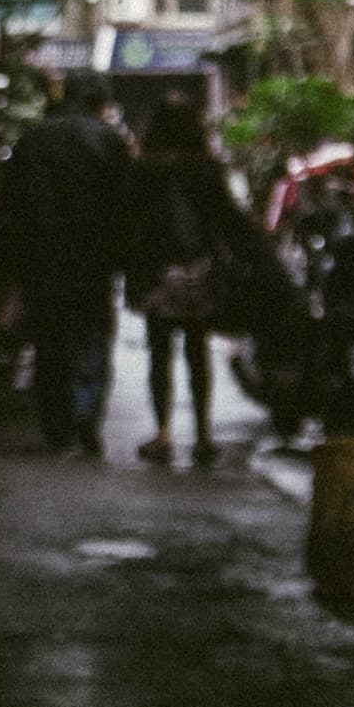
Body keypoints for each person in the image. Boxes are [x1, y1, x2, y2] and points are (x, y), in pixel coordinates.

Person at [0, 76, 139, 458]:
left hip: (42, 258)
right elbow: (127, 205)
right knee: (91, 336)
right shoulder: (108, 140)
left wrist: (14, 261)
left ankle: (58, 426)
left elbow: (10, 205)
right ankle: (85, 416)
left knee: (50, 342)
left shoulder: (33, 139)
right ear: (100, 103)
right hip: (94, 260)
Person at [128, 85, 256, 470]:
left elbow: (131, 225)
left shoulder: (144, 169)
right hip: (199, 269)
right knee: (197, 353)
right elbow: (228, 220)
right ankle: (202, 434)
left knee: (160, 353)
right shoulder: (206, 168)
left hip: (157, 272)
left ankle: (164, 432)